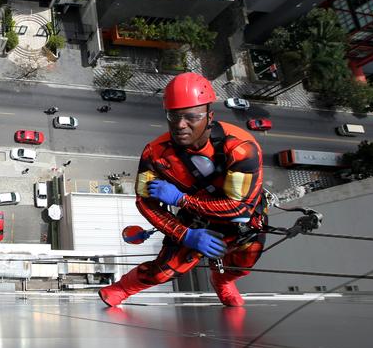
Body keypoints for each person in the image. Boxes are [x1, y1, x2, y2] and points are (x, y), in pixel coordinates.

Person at [99, 72, 266, 308]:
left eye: (191, 117)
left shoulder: (241, 148)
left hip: (240, 222)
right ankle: (121, 288)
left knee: (243, 264)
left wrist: (182, 200)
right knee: (163, 272)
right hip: (195, 222)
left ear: (209, 116)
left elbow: (240, 207)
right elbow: (145, 202)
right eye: (173, 116)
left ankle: (223, 281)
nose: (180, 125)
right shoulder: (155, 153)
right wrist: (185, 234)